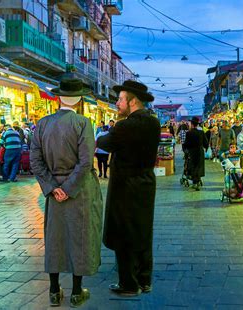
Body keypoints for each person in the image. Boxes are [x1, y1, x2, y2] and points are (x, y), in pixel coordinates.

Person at [30, 78, 103, 307]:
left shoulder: (41, 125)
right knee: (79, 237)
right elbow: (84, 163)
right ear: (80, 99)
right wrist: (69, 189)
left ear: (58, 97)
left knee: (55, 238)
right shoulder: (83, 123)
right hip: (79, 191)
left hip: (54, 192)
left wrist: (52, 188)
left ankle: (53, 291)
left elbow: (35, 160)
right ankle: (76, 292)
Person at [96, 80, 160, 297]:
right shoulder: (154, 123)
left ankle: (129, 284)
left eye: (120, 99)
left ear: (133, 101)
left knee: (124, 233)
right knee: (143, 230)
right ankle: (145, 279)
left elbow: (104, 143)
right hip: (146, 184)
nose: (117, 103)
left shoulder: (125, 126)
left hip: (125, 186)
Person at [183, 116, 208, 190]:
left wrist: (185, 151)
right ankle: (197, 180)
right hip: (200, 151)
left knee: (193, 166)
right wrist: (206, 148)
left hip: (192, 152)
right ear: (197, 124)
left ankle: (195, 182)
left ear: (192, 124)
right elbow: (206, 143)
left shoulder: (189, 133)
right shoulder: (201, 132)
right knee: (199, 166)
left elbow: (186, 144)